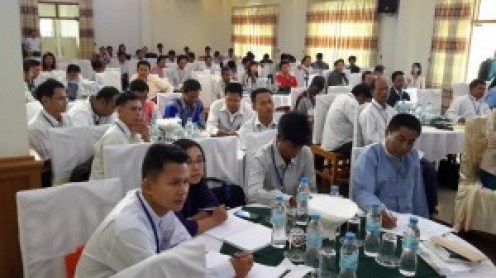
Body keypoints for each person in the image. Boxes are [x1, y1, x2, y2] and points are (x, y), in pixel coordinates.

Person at [77, 144, 253, 278]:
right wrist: (228, 269)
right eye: (174, 183)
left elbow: (183, 247)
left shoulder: (161, 206)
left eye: (185, 182)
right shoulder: (128, 229)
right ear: (148, 186)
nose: (183, 191)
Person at [351, 113, 429, 228]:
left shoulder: (412, 156)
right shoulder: (370, 156)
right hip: (377, 220)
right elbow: (361, 191)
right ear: (387, 132)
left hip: (406, 223)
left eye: (411, 142)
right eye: (400, 139)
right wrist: (378, 210)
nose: (404, 147)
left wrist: (424, 223)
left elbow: (418, 195)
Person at [246, 112, 316, 206]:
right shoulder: (261, 157)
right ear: (279, 138)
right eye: (292, 147)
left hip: (299, 210)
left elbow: (312, 189)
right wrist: (286, 199)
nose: (296, 152)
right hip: (271, 211)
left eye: (300, 147)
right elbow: (252, 193)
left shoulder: (305, 152)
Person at [173, 139, 228, 235]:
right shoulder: (170, 190)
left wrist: (189, 221)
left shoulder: (198, 184)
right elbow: (180, 230)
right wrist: (214, 220)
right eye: (188, 162)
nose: (196, 167)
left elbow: (213, 206)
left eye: (199, 160)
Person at [90, 92, 150, 180]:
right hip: (106, 189)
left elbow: (145, 160)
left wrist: (146, 138)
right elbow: (114, 176)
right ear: (119, 110)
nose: (138, 113)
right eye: (133, 109)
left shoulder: (133, 132)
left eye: (140, 109)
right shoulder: (113, 137)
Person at [28, 79, 73, 161]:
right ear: (45, 101)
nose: (66, 102)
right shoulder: (36, 128)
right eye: (61, 99)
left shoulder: (67, 118)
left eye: (66, 97)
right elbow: (51, 158)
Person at [322, 84, 372, 155]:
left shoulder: (341, 97)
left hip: (330, 140)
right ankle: (355, 166)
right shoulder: (352, 103)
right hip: (338, 144)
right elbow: (359, 125)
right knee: (365, 146)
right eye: (365, 101)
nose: (363, 103)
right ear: (361, 96)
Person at [359, 77, 396, 146]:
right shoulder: (368, 112)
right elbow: (370, 139)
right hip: (376, 152)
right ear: (372, 92)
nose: (385, 92)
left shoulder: (391, 110)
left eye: (386, 88)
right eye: (380, 89)